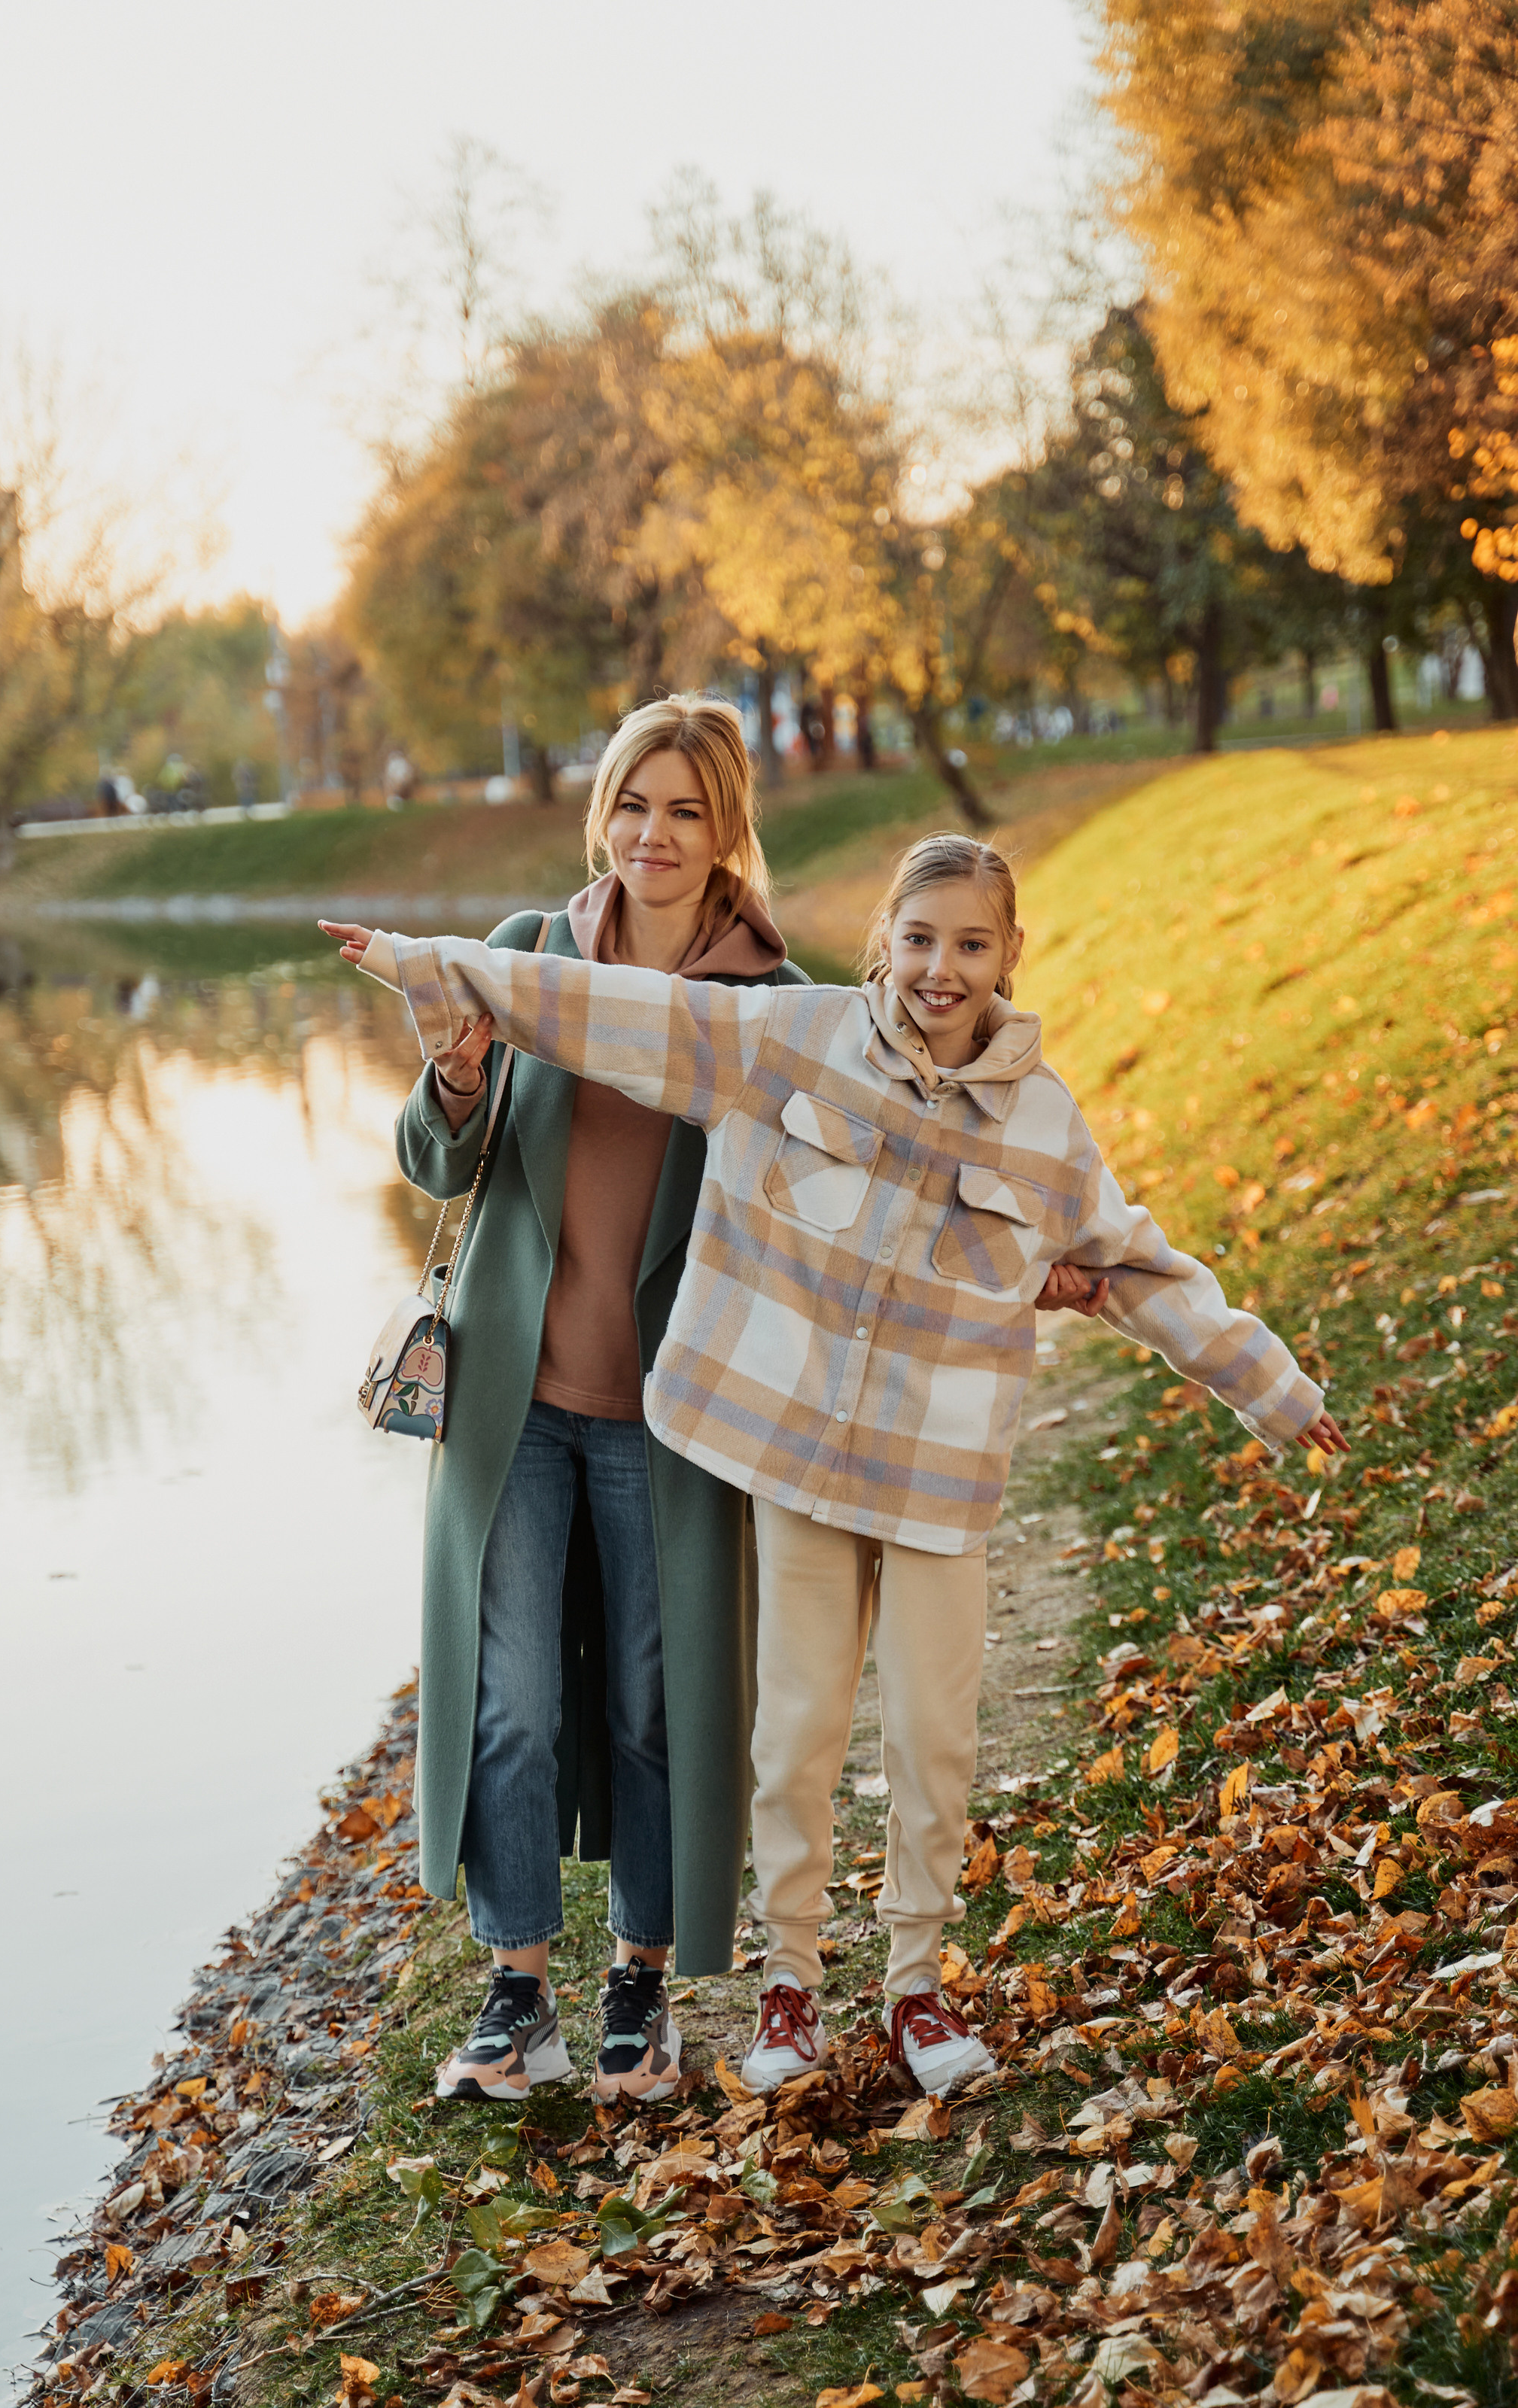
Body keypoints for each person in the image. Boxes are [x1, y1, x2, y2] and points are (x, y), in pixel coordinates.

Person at [324, 829, 1346, 2099]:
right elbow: (610, 1011)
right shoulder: (789, 1039)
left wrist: (1267, 1383)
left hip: (934, 1481)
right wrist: (436, 967)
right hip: (799, 1464)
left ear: (1011, 957)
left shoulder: (1041, 1125)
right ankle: (791, 1989)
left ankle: (915, 1991)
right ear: (882, 945)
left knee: (933, 1742)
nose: (941, 968)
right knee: (796, 1734)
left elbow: (1132, 1264)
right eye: (919, 940)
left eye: (971, 944)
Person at [324, 696, 808, 2106]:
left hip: (673, 1413)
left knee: (660, 1700)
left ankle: (640, 1981)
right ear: (604, 815)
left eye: (687, 811)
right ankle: (518, 1986)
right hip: (513, 1405)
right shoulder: (525, 960)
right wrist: (455, 1075)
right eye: (633, 806)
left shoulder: (771, 1011)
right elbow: (431, 1160)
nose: (654, 836)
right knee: (512, 1703)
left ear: (726, 834)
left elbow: (825, 1199)